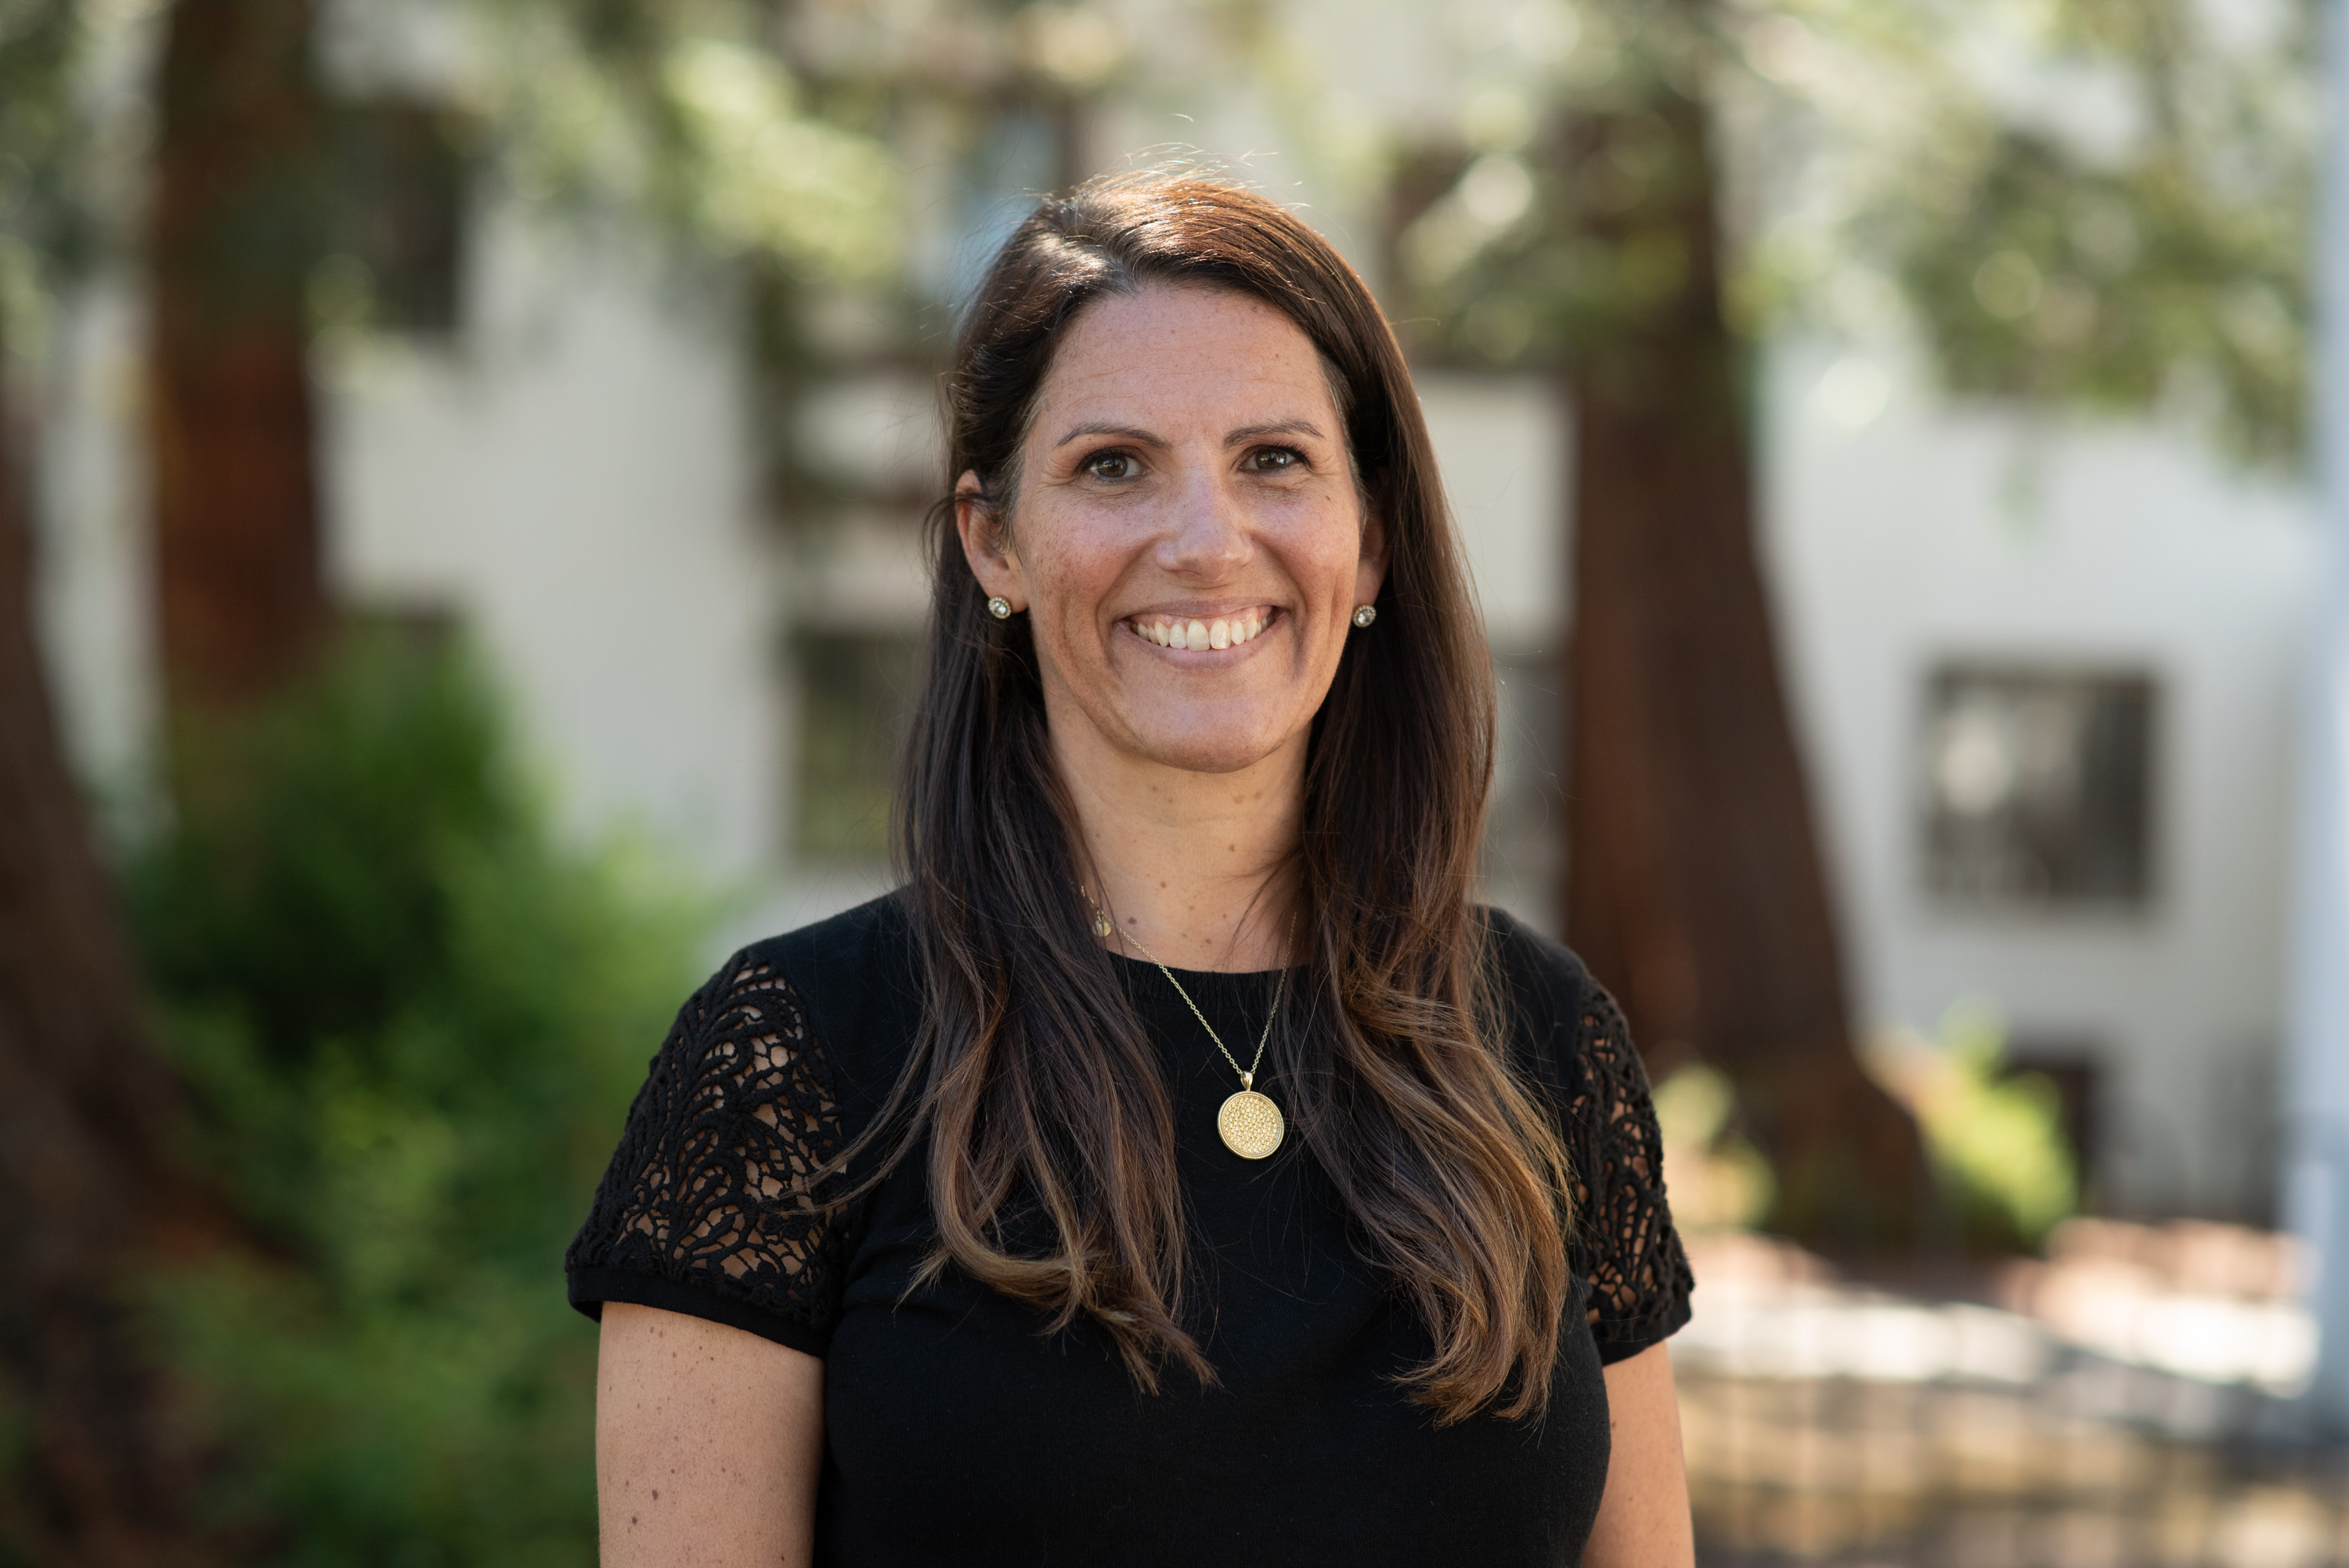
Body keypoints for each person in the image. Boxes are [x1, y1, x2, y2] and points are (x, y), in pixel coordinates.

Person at [567, 168, 1696, 1566]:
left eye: (1274, 461)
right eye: (1114, 466)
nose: (1207, 542)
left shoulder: (1539, 1038)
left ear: (1372, 538)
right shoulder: (800, 1058)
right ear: (996, 541)